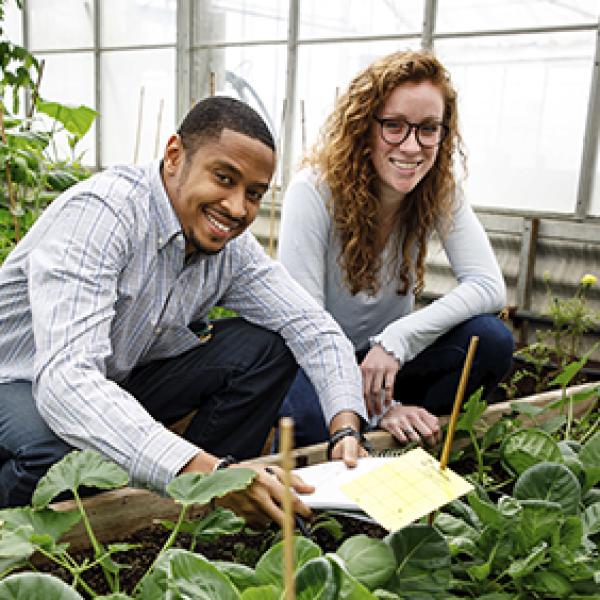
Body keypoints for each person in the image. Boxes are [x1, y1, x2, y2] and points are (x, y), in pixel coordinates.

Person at [0, 96, 371, 528]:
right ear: (175, 156)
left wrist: (346, 428)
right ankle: (22, 547)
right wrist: (206, 471)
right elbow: (65, 381)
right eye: (224, 178)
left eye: (253, 194)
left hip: (111, 378)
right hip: (19, 377)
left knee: (265, 348)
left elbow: (313, 328)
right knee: (62, 455)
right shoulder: (103, 217)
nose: (236, 208)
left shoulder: (231, 251)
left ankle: (190, 518)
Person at [277, 50, 514, 449]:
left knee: (491, 341)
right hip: (315, 360)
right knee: (310, 420)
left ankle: (414, 443)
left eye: (428, 129)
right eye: (394, 126)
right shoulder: (313, 191)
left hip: (385, 364)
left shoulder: (439, 190)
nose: (411, 146)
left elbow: (490, 285)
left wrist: (396, 340)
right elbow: (307, 330)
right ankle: (366, 439)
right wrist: (380, 408)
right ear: (363, 126)